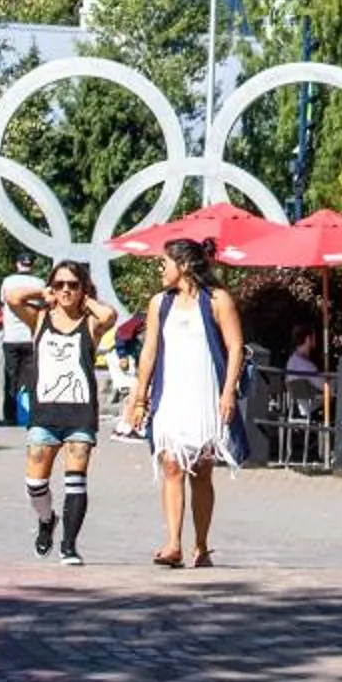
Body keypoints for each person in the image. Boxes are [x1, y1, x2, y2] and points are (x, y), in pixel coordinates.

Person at [119, 238, 244, 569]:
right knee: (172, 465)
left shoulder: (218, 300)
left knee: (201, 471)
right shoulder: (160, 303)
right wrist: (139, 397)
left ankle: (201, 545)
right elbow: (149, 352)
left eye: (165, 262)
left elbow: (235, 347)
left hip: (205, 392)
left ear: (184, 266)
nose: (161, 268)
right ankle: (173, 542)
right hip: (171, 393)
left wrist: (228, 390)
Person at [8, 263, 118, 565]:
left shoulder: (90, 322)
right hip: (45, 412)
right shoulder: (40, 318)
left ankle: (69, 546)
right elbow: (13, 298)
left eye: (72, 284)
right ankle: (46, 520)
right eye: (59, 285)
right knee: (35, 483)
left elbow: (110, 316)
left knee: (76, 479)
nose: (66, 290)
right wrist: (41, 293)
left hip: (79, 412)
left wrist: (87, 301)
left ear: (83, 288)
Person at [0, 254, 47, 424]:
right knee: (32, 377)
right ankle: (31, 415)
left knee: (11, 377)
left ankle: (9, 416)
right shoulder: (39, 283)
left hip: (11, 336)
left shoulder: (8, 282)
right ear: (31, 265)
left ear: (17, 264)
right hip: (31, 336)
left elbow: (3, 303)